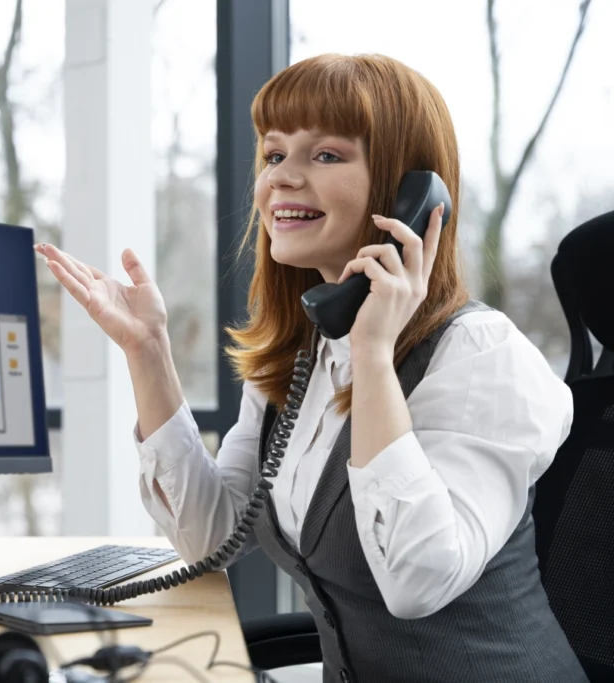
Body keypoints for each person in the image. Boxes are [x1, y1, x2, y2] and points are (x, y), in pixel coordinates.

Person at [36, 53, 587, 682]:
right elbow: (210, 538)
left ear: (410, 194)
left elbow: (417, 580)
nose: (282, 180)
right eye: (274, 155)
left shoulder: (482, 357)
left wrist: (375, 354)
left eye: (325, 155)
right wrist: (148, 352)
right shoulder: (304, 354)